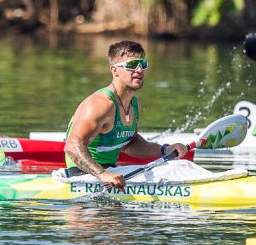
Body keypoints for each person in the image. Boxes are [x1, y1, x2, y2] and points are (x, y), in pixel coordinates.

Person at [64, 40, 188, 188]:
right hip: (83, 176)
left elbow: (130, 143)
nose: (139, 70)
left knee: (178, 168)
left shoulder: (134, 104)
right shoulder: (101, 104)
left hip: (111, 172)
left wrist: (164, 149)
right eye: (131, 65)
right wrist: (103, 174)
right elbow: (71, 146)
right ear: (114, 70)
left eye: (142, 65)